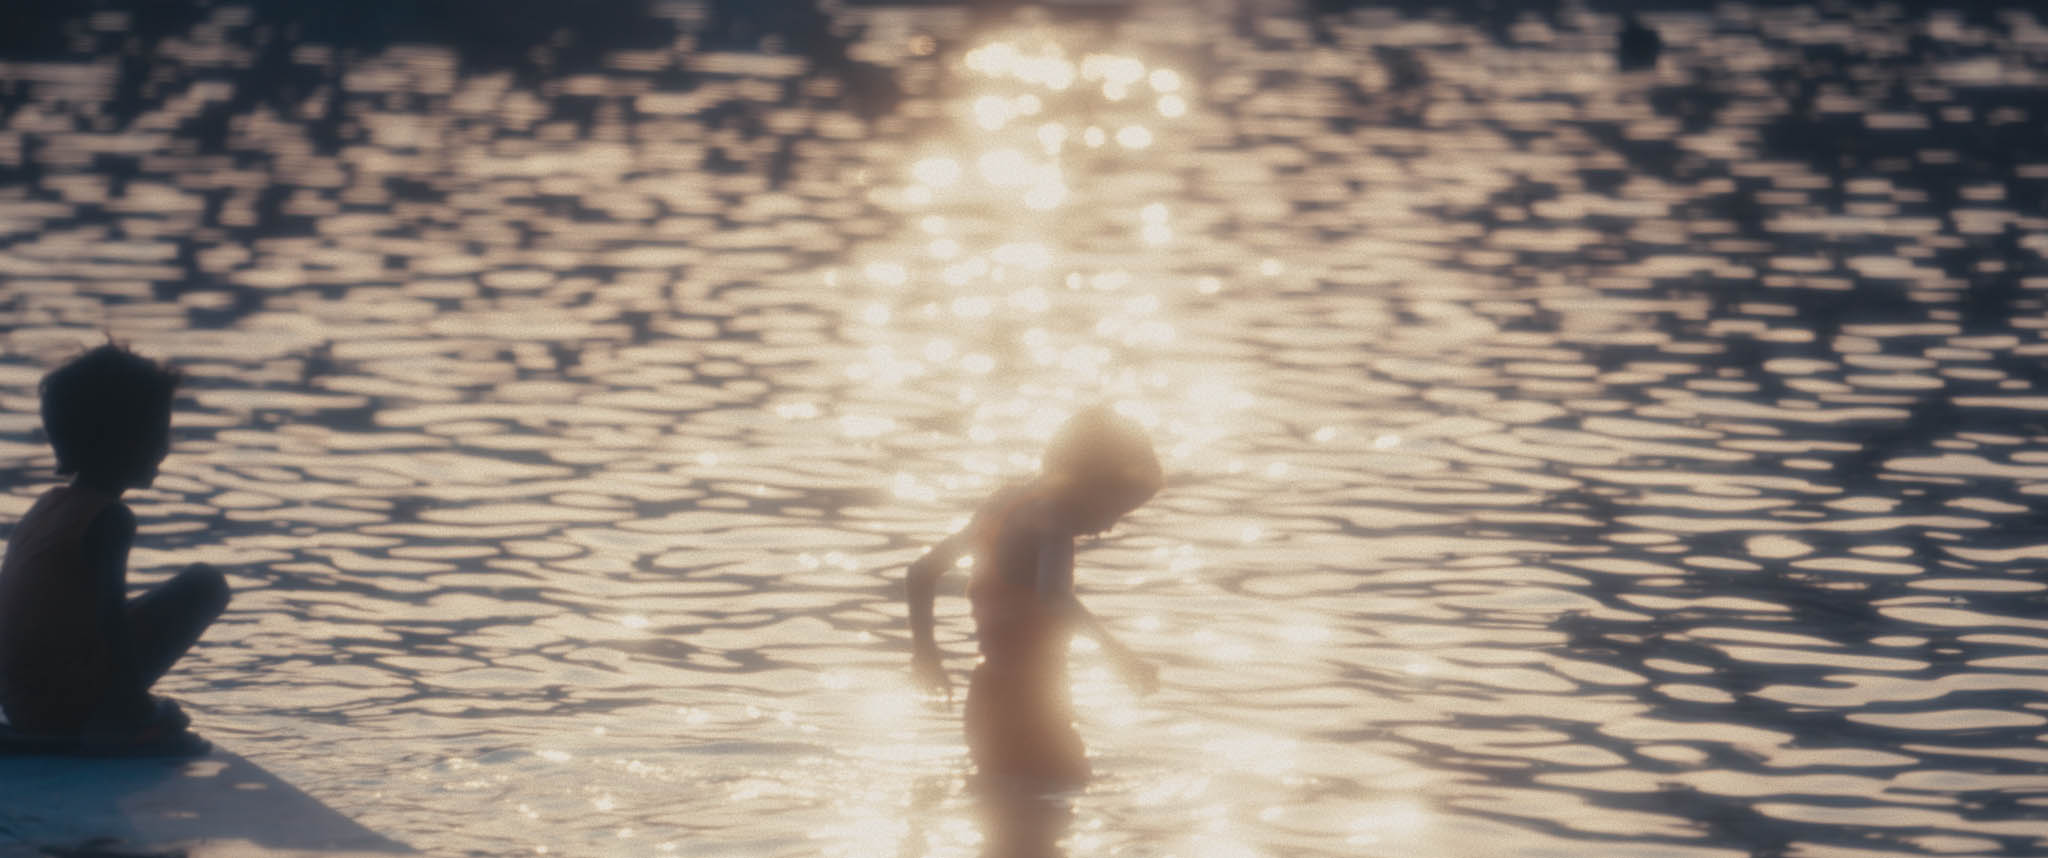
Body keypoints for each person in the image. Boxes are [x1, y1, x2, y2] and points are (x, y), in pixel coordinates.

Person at [907, 405, 1164, 787]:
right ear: (1090, 484)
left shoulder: (1003, 505)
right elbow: (1054, 597)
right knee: (1057, 806)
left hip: (986, 700)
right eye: (1116, 508)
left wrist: (926, 654)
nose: (1109, 526)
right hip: (1029, 708)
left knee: (1004, 820)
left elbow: (921, 572)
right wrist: (1119, 656)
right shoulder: (1052, 520)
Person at [0, 343, 228, 751]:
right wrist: (139, 714)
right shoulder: (109, 519)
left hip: (20, 700)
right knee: (206, 585)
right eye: (159, 431)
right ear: (124, 440)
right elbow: (111, 627)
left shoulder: (50, 505)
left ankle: (104, 708)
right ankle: (114, 716)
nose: (165, 447)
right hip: (62, 709)